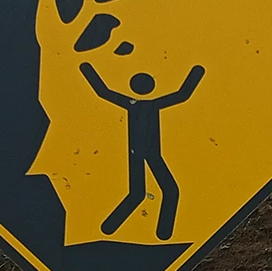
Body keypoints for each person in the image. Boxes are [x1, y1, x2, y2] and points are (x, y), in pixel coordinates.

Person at [79, 62, 206, 240]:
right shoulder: (146, 105)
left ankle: (157, 233)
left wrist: (87, 69)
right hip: (142, 152)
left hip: (145, 153)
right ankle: (111, 228)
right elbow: (182, 95)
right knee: (160, 191)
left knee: (151, 191)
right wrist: (197, 73)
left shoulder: (135, 104)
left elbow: (104, 92)